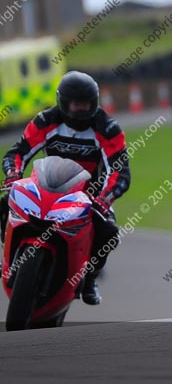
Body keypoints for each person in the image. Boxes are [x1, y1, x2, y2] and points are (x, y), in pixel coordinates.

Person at [1, 71, 130, 305]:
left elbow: (120, 171)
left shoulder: (108, 129)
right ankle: (6, 253)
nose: (81, 110)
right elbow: (18, 152)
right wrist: (13, 175)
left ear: (95, 102)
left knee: (109, 232)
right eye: (75, 104)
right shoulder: (45, 121)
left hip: (89, 197)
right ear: (63, 102)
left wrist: (105, 198)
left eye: (86, 104)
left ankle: (89, 278)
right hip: (44, 187)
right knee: (5, 201)